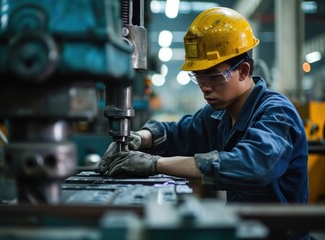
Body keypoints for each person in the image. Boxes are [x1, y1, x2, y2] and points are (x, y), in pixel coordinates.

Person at [97, 7, 309, 240]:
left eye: (213, 76)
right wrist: (139, 137)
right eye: (198, 76)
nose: (204, 86)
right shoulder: (219, 115)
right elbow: (179, 132)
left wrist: (154, 164)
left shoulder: (277, 112)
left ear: (243, 70)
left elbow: (252, 165)